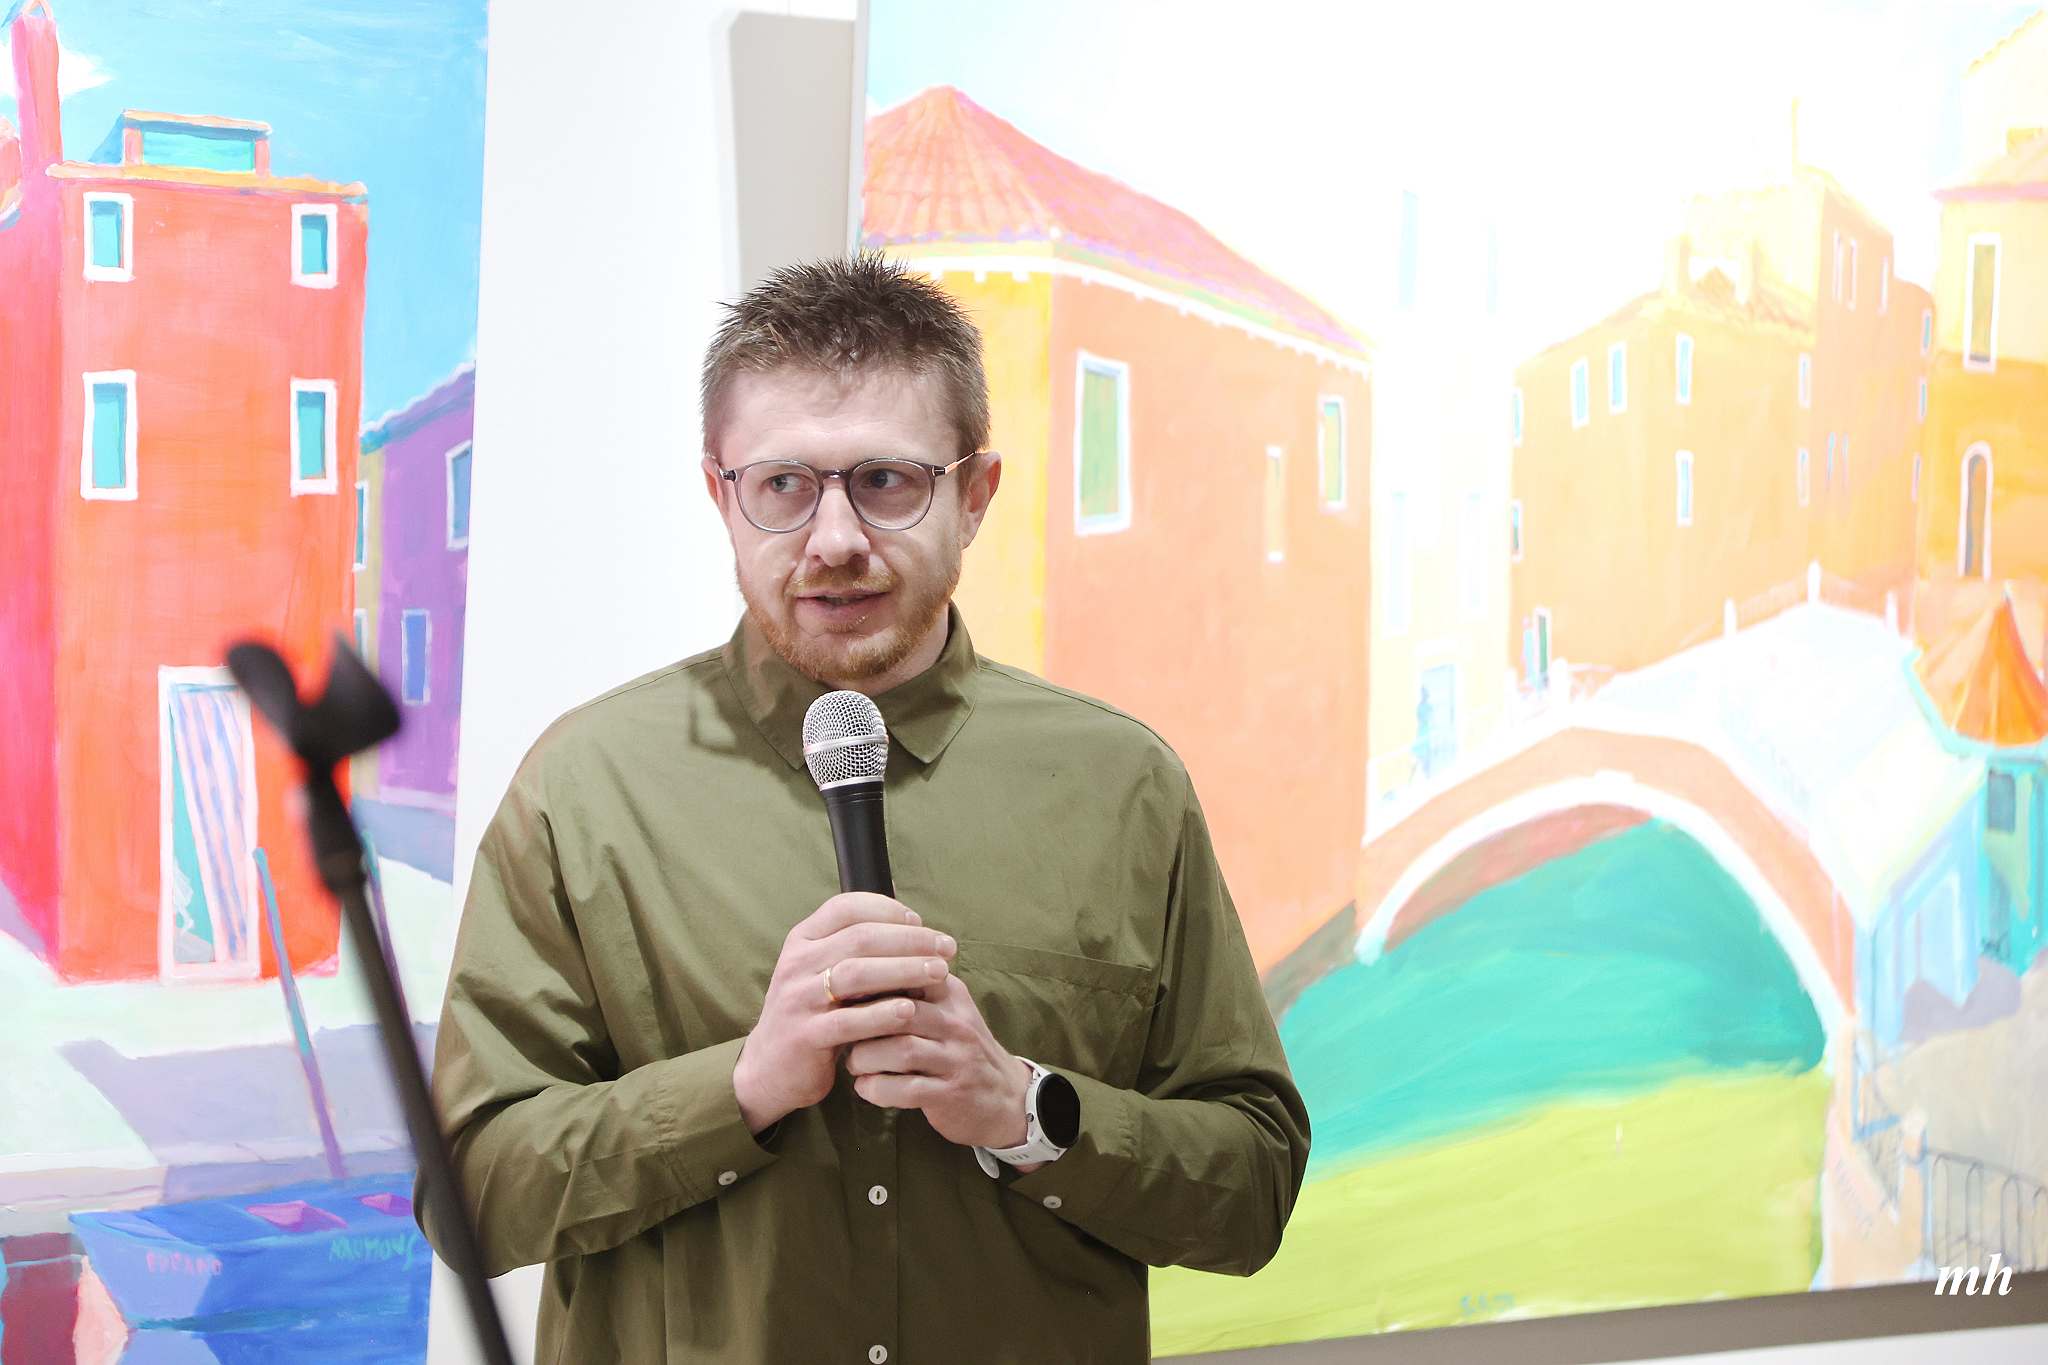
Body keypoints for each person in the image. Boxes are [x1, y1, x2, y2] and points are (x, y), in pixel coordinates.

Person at [421, 254, 1311, 1363]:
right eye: (783, 486)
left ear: (975, 496)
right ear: (722, 498)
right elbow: (470, 1194)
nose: (835, 538)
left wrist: (1025, 1109)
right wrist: (740, 1089)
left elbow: (1252, 1189)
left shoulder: (1123, 786)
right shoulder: (584, 787)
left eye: (887, 481)